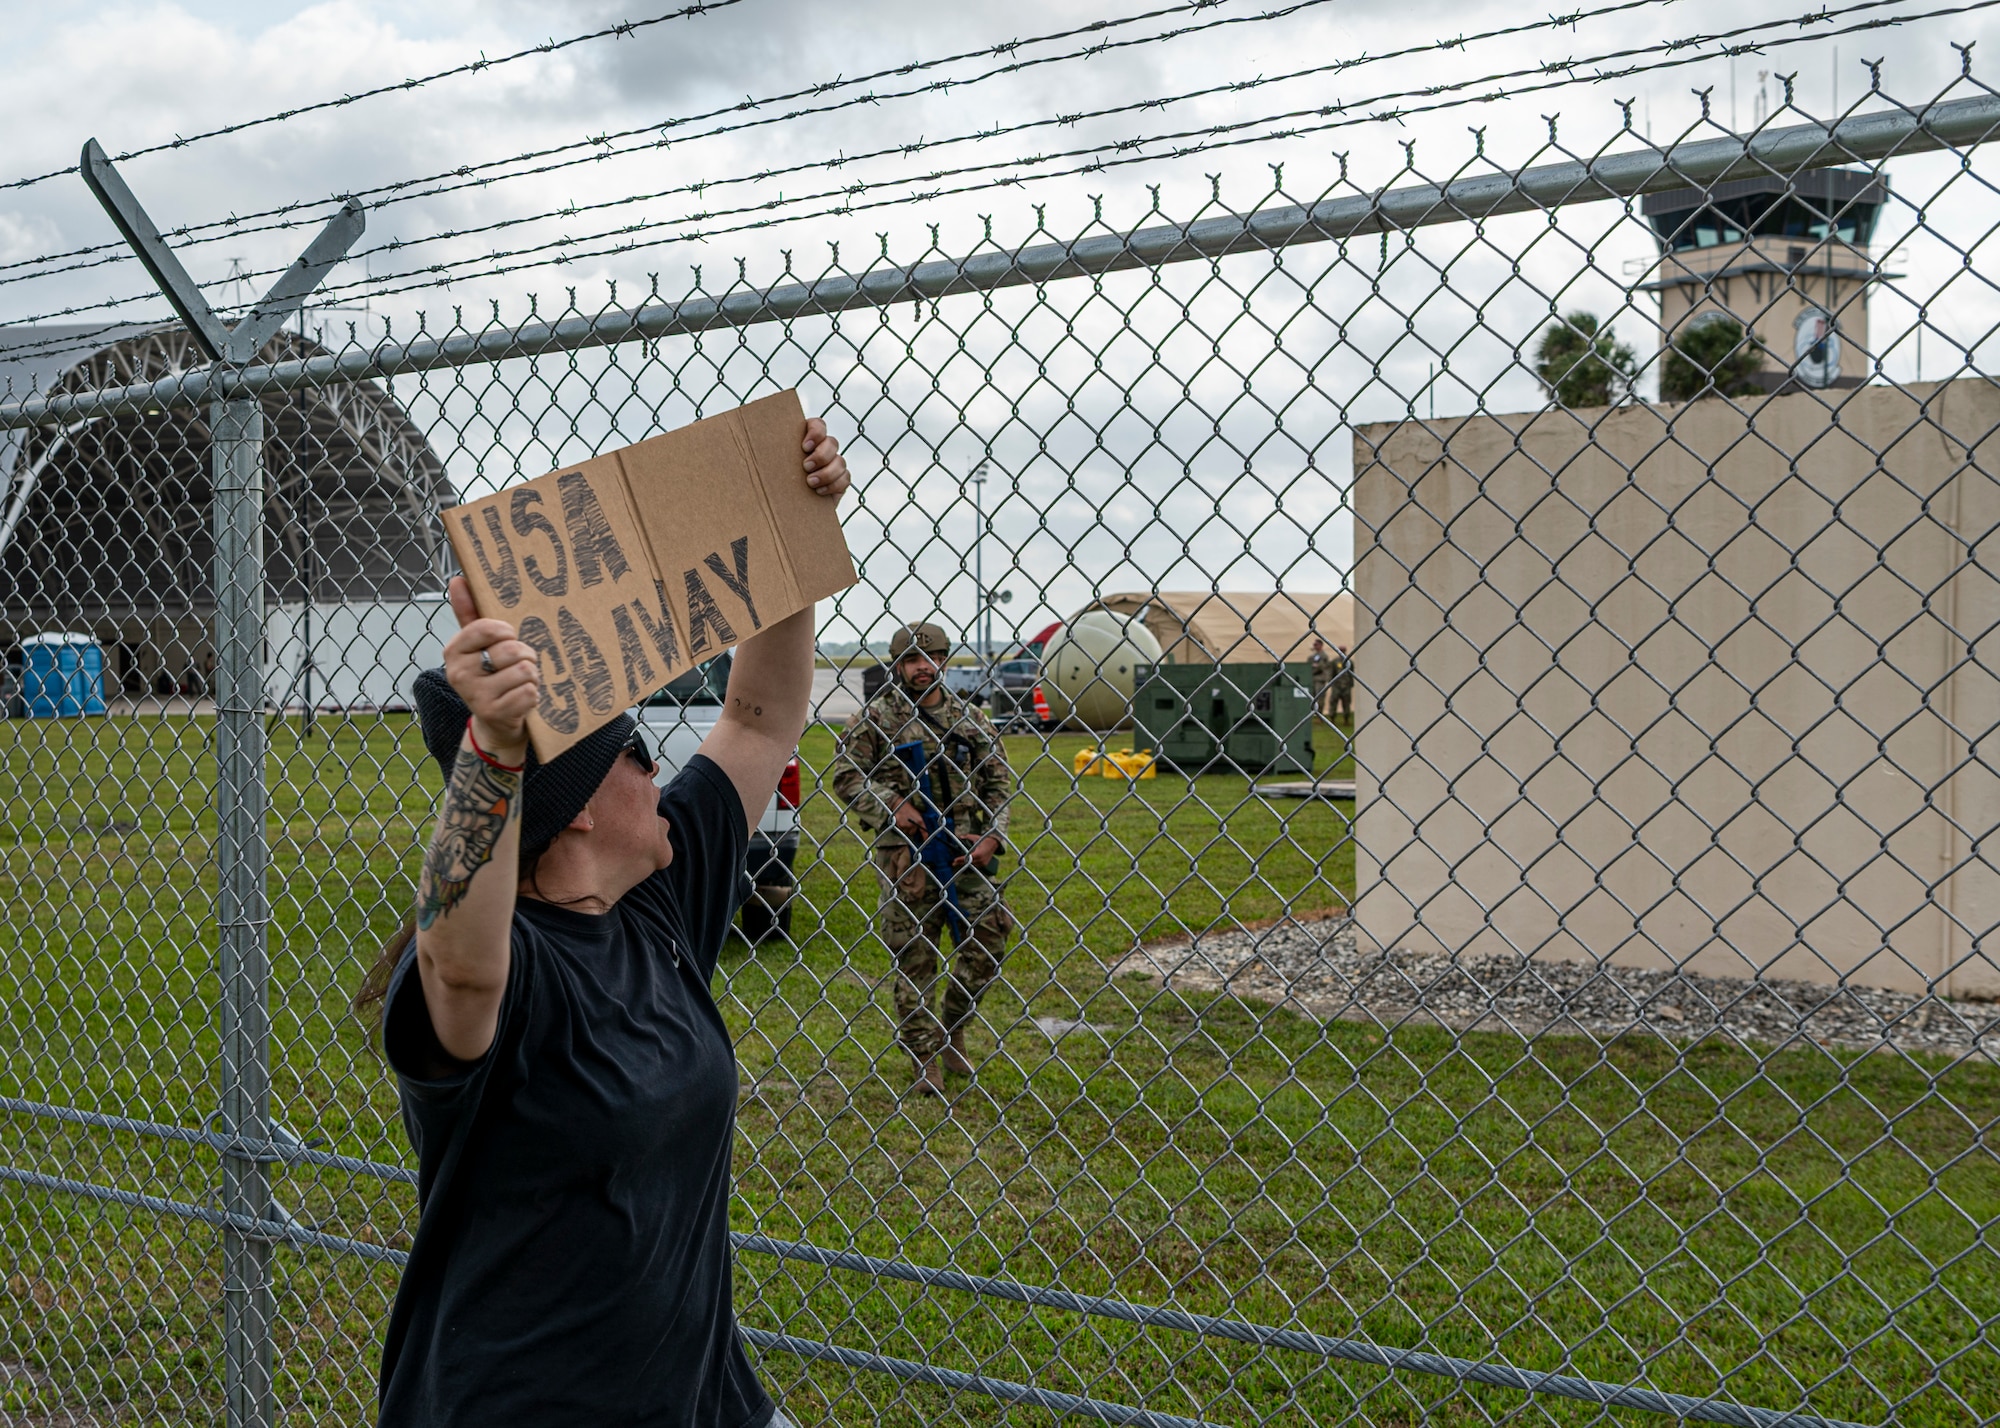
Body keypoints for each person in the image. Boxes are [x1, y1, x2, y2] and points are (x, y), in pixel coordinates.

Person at [350, 420, 850, 1427]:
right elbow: (458, 958)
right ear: (575, 805)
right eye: (637, 757)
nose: (664, 774)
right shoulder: (505, 973)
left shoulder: (657, 901)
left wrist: (789, 527)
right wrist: (494, 747)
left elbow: (758, 714)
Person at [832, 622, 1015, 1096]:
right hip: (905, 855)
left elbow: (998, 782)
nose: (923, 667)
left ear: (945, 661)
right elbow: (847, 778)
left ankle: (951, 1029)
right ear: (897, 664)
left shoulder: (970, 719)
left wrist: (992, 837)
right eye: (913, 659)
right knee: (915, 957)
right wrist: (894, 805)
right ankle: (924, 1058)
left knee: (989, 939)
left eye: (932, 658)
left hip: (963, 848)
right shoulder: (875, 718)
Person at [1307, 637, 1332, 717]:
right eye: (1314, 645)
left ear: (1321, 645)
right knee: (1312, 696)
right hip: (1312, 678)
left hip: (1320, 678)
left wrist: (1315, 666)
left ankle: (1319, 714)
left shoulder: (1323, 656)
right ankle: (1313, 713)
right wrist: (1314, 666)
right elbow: (1308, 665)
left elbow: (1321, 667)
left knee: (1320, 696)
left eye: (1316, 645)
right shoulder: (1313, 656)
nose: (1315, 646)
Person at [1330, 642, 1353, 722]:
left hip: (1346, 685)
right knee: (1333, 701)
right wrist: (1332, 683)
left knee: (1346, 703)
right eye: (1340, 650)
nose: (1342, 652)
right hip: (1337, 685)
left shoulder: (1349, 662)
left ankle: (1346, 718)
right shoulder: (1334, 661)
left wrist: (1350, 684)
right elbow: (1332, 673)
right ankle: (1332, 718)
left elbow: (1352, 674)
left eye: (1343, 650)